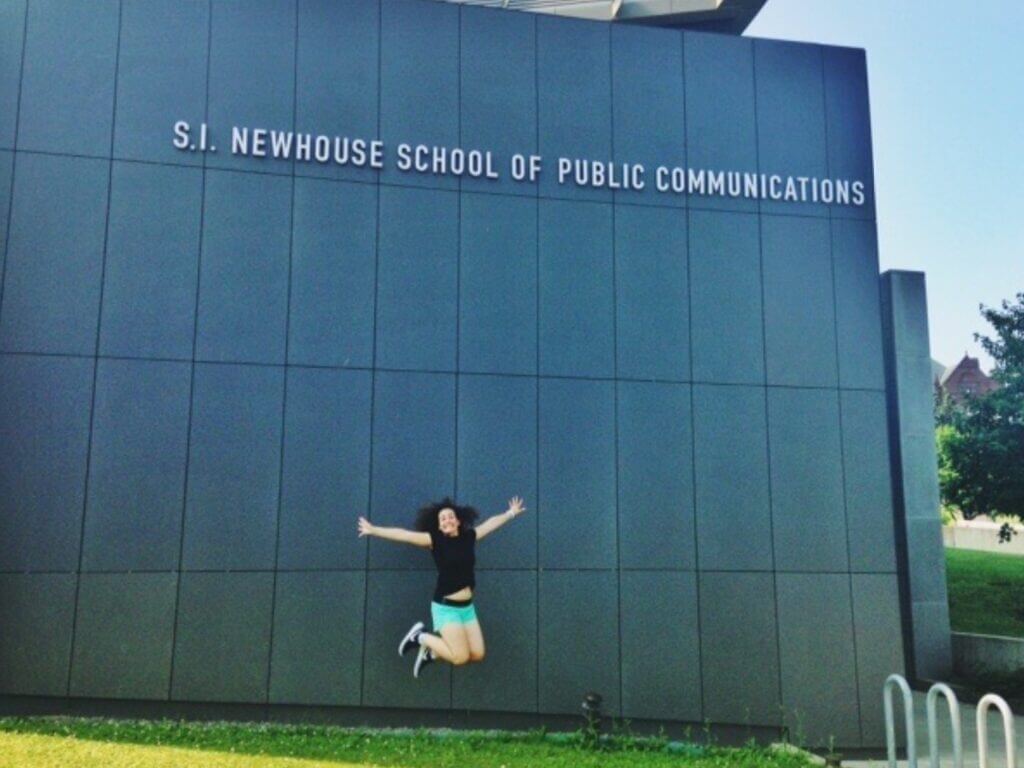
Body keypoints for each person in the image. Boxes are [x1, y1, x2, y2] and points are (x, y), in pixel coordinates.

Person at [357, 495, 526, 677]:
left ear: (458, 521)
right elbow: (404, 535)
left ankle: (432, 653)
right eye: (443, 518)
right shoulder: (434, 541)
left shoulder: (469, 537)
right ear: (439, 526)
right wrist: (374, 530)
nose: (447, 520)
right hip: (446, 607)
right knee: (460, 658)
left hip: (467, 608)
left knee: (477, 654)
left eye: (450, 516)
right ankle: (419, 636)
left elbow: (490, 524)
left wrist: (511, 513)